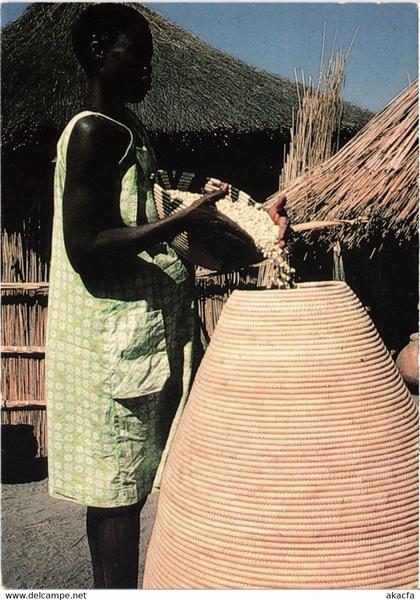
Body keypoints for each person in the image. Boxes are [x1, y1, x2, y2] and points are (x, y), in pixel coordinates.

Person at [45, 3, 288, 590]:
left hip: (138, 340)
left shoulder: (130, 130)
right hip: (111, 347)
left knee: (124, 486)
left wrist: (240, 219)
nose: (150, 67)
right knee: (117, 491)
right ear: (101, 51)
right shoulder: (91, 132)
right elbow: (90, 245)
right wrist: (189, 216)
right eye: (139, 53)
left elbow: (148, 212)